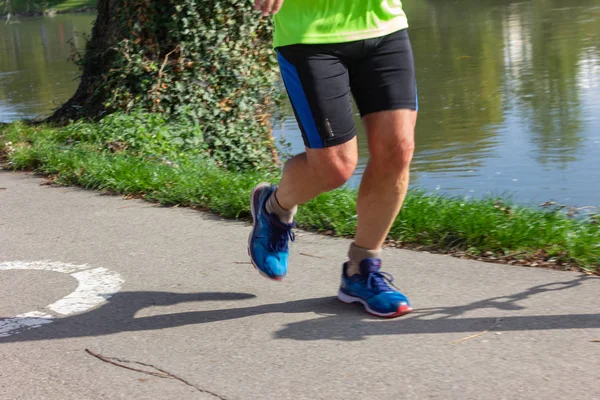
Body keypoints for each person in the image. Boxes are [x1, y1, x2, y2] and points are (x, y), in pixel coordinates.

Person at [248, 0, 418, 318]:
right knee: (334, 168)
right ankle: (274, 208)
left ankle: (362, 269)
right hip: (310, 31)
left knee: (398, 149)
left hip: (382, 22)